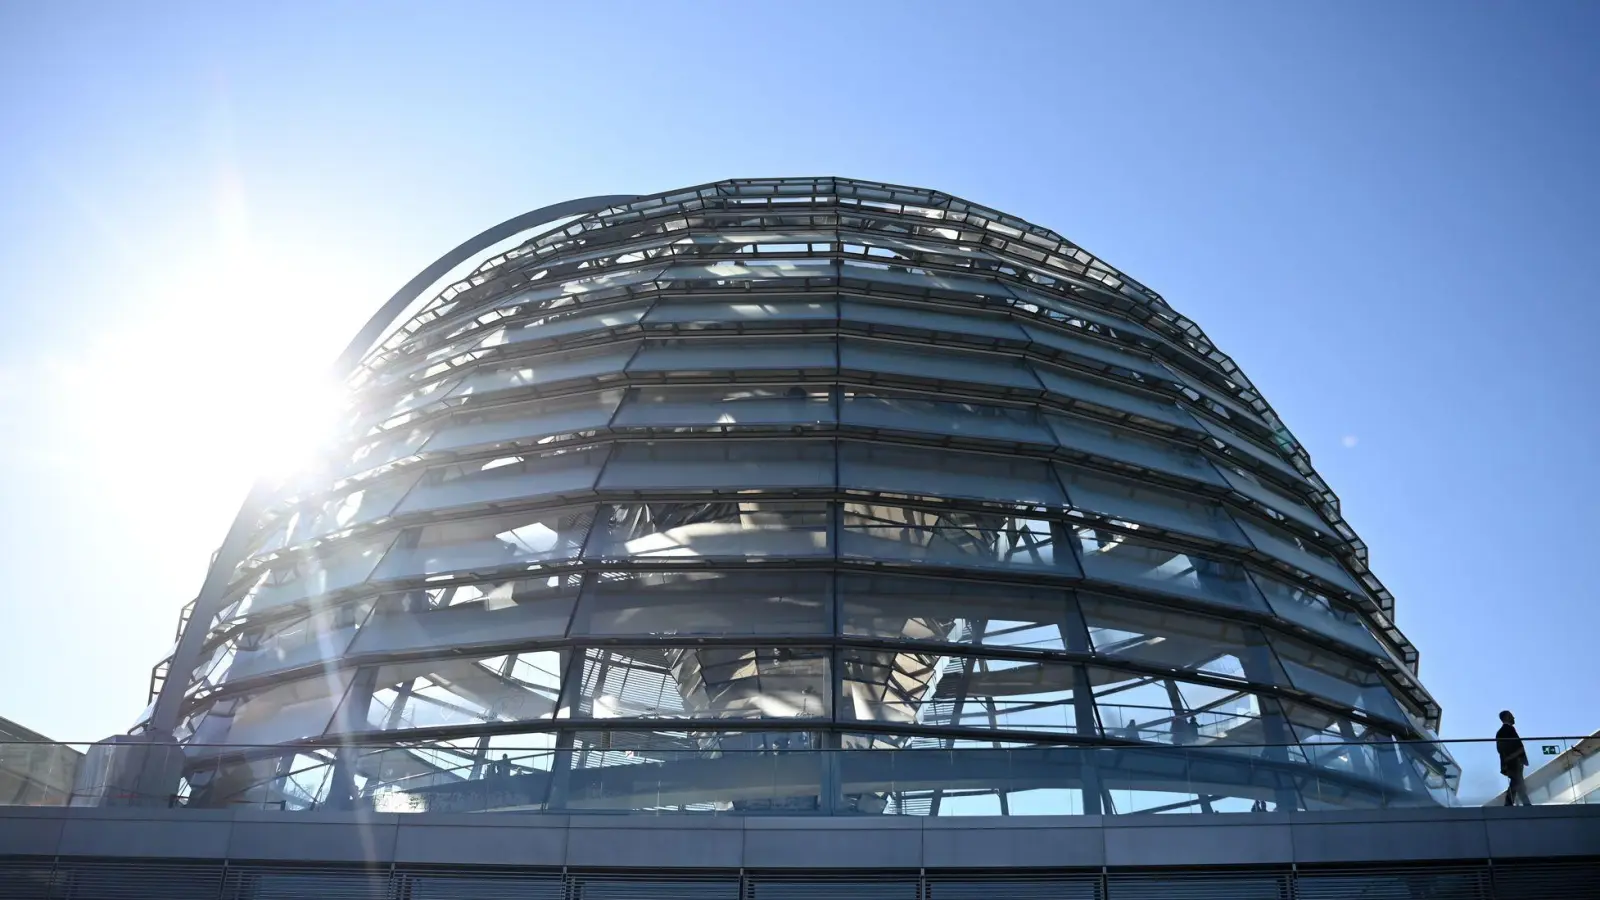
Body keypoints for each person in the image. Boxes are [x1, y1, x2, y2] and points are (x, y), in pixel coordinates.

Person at [1496, 710, 1532, 806]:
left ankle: (1524, 804)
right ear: (1507, 717)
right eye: (1511, 716)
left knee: (1518, 783)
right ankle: (1512, 803)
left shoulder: (1505, 730)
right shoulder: (1506, 730)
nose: (1514, 718)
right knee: (1517, 782)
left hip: (1513, 761)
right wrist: (1515, 755)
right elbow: (1503, 749)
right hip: (1513, 762)